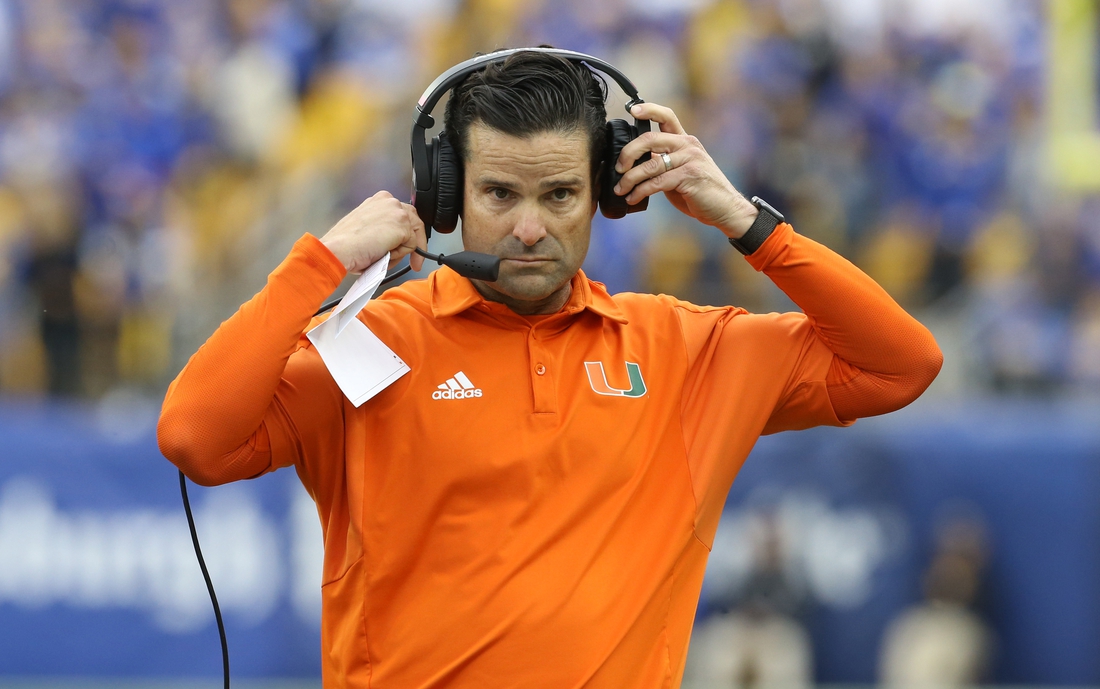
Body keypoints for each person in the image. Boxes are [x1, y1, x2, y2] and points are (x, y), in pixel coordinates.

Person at [157, 49, 942, 688]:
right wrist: (318, 263)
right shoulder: (373, 345)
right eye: (499, 193)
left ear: (608, 194)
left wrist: (744, 219)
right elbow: (195, 436)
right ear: (445, 195)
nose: (530, 228)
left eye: (561, 193)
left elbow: (902, 364)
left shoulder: (688, 349)